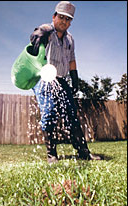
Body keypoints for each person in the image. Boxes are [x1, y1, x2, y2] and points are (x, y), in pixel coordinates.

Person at [30, 1, 101, 163]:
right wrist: (37, 34)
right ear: (54, 17)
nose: (64, 21)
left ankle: (83, 152)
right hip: (44, 78)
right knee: (49, 112)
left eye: (68, 19)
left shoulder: (70, 39)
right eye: (61, 17)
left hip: (61, 79)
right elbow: (35, 35)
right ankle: (51, 154)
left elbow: (72, 59)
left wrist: (74, 77)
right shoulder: (46, 31)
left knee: (71, 115)